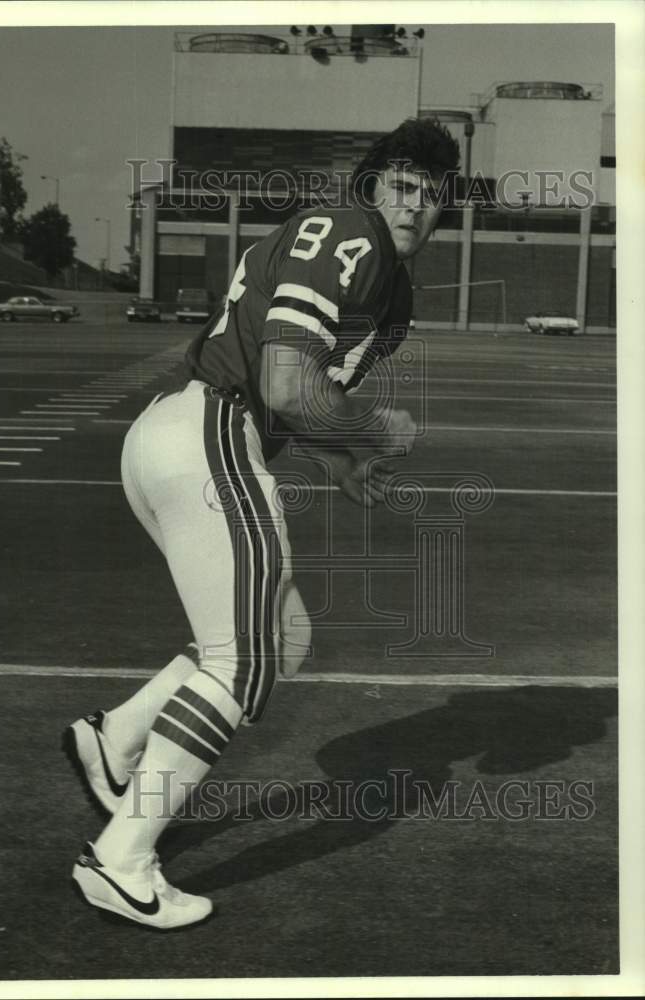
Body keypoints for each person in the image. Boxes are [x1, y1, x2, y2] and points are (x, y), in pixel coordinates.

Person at [64, 118, 461, 929]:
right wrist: (374, 430)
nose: (416, 207)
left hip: (188, 437)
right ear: (371, 186)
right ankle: (120, 857)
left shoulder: (392, 288)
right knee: (242, 663)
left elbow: (297, 401)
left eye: (433, 195)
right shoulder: (351, 237)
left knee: (280, 639)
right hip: (209, 432)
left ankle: (115, 739)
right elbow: (283, 385)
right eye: (403, 186)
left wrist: (339, 457)